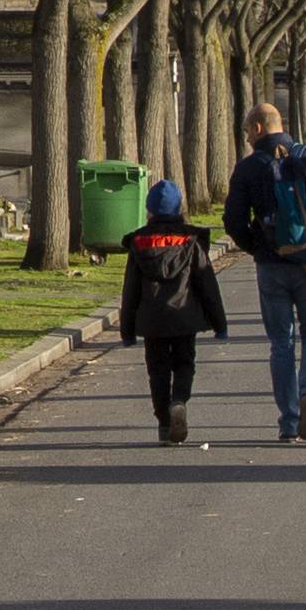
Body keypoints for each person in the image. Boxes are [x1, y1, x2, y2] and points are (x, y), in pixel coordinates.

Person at [221, 103, 306, 441]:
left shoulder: (249, 168)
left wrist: (258, 248)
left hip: (271, 266)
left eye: (247, 130)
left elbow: (233, 221)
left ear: (258, 129)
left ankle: (290, 420)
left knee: (280, 343)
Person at [115, 175, 229, 446]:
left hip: (152, 320)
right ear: (179, 209)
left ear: (149, 210)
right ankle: (179, 400)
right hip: (183, 316)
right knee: (184, 363)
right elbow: (206, 283)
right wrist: (219, 323)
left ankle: (164, 423)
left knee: (156, 370)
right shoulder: (189, 241)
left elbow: (130, 290)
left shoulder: (139, 243)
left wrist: (127, 330)